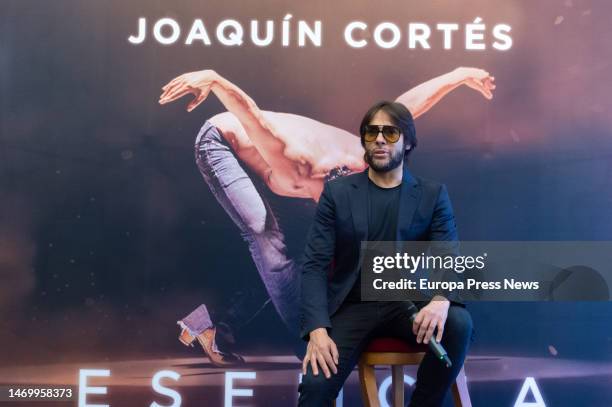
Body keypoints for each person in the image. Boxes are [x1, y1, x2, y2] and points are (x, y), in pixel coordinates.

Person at [158, 68, 492, 366]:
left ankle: (214, 323)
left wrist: (456, 76)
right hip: (222, 140)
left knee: (310, 255)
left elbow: (403, 110)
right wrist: (215, 79)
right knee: (265, 236)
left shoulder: (366, 158)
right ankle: (298, 332)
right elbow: (252, 116)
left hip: (282, 163)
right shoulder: (294, 162)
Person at [297, 101, 473, 407]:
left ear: (408, 143)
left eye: (390, 132)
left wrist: (442, 300)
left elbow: (449, 255)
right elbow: (314, 265)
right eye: (372, 132)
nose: (379, 139)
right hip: (352, 306)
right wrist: (317, 329)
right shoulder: (337, 194)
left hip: (408, 303)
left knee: (458, 322)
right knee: (314, 388)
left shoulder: (432, 195)